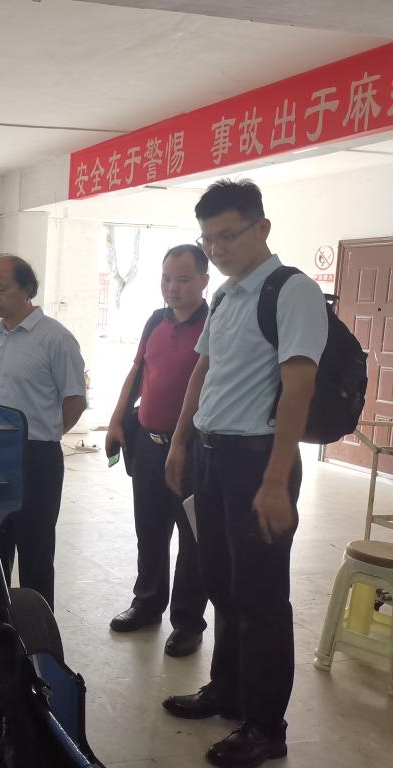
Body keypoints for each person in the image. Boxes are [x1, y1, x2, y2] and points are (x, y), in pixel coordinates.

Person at [162, 181, 327, 768]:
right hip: (211, 458)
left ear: (262, 228)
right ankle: (227, 690)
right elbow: (201, 372)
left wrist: (277, 480)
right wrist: (180, 442)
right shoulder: (228, 295)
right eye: (208, 239)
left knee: (261, 598)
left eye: (228, 235)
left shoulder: (292, 291)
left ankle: (264, 727)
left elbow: (299, 387)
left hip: (258, 461)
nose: (217, 248)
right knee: (220, 584)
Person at [105, 245, 210, 658]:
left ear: (204, 281)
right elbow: (138, 371)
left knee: (193, 540)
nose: (173, 287)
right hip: (147, 447)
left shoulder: (214, 325)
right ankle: (147, 604)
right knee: (149, 530)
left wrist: (182, 444)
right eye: (167, 279)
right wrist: (116, 419)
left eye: (183, 279)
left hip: (192, 451)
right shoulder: (154, 320)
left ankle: (187, 622)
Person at [0, 254, 86, 611]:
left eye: (1, 288)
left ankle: (37, 633)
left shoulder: (56, 339)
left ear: (27, 290)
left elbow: (75, 401)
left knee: (35, 551)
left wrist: (43, 434)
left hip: (36, 457)